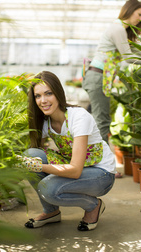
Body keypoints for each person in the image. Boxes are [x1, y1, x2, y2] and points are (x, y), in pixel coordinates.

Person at [17, 71, 116, 231]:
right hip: (77, 166)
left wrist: (37, 167)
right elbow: (34, 158)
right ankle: (51, 212)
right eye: (38, 96)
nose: (43, 101)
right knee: (31, 155)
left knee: (47, 188)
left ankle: (93, 206)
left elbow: (75, 171)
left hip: (100, 173)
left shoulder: (79, 117)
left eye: (48, 93)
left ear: (58, 93)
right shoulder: (44, 122)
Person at [82, 0, 141, 144]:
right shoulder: (118, 29)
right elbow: (129, 57)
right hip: (98, 77)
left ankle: (98, 158)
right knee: (102, 121)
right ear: (129, 11)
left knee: (101, 119)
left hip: (100, 77)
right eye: (139, 14)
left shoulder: (121, 30)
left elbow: (136, 50)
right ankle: (101, 161)